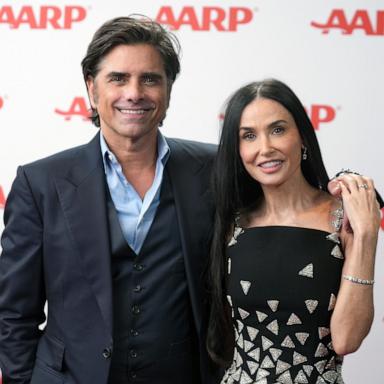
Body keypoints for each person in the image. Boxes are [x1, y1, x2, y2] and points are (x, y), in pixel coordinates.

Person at [0, 16, 219, 384]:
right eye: (118, 78)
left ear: (168, 89)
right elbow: (13, 313)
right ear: (91, 88)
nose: (134, 93)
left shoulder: (214, 170)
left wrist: (345, 187)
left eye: (150, 78)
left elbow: (286, 197)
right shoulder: (40, 183)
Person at [207, 79, 381, 384]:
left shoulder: (344, 217)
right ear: (238, 150)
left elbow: (346, 340)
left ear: (301, 136)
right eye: (249, 136)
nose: (265, 148)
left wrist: (366, 236)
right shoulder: (232, 224)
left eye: (277, 130)